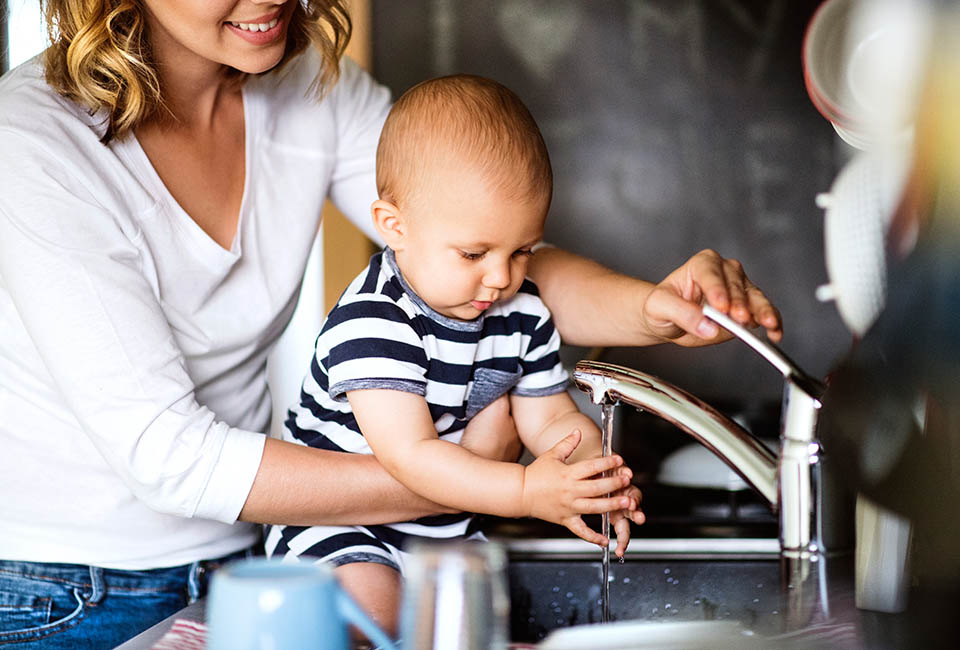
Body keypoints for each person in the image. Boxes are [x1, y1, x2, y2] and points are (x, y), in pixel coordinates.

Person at [0, 1, 781, 648]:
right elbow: (171, 457)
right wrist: (485, 481)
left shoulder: (304, 83)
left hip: (251, 560)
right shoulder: (35, 143)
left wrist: (655, 308)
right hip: (71, 591)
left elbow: (487, 257)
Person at [264, 74, 644, 632]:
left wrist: (588, 473)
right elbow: (411, 455)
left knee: (472, 619)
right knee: (376, 608)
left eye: (521, 251)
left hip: (448, 529)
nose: (499, 277)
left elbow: (551, 416)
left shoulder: (521, 308)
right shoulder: (374, 319)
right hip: (342, 525)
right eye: (473, 253)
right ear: (395, 227)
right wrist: (522, 490)